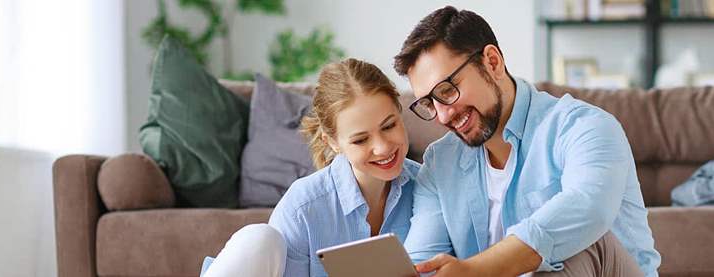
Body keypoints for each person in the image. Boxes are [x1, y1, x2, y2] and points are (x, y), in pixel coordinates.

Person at [394, 6, 661, 277]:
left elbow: (589, 208)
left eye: (447, 90)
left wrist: (475, 270)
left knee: (576, 243)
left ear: (492, 62)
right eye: (429, 103)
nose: (443, 115)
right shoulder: (440, 162)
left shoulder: (584, 126)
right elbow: (422, 262)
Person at [200, 58, 420, 277]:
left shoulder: (429, 185)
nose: (382, 148)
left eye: (389, 126)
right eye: (360, 140)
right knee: (257, 239)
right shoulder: (303, 207)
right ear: (332, 142)